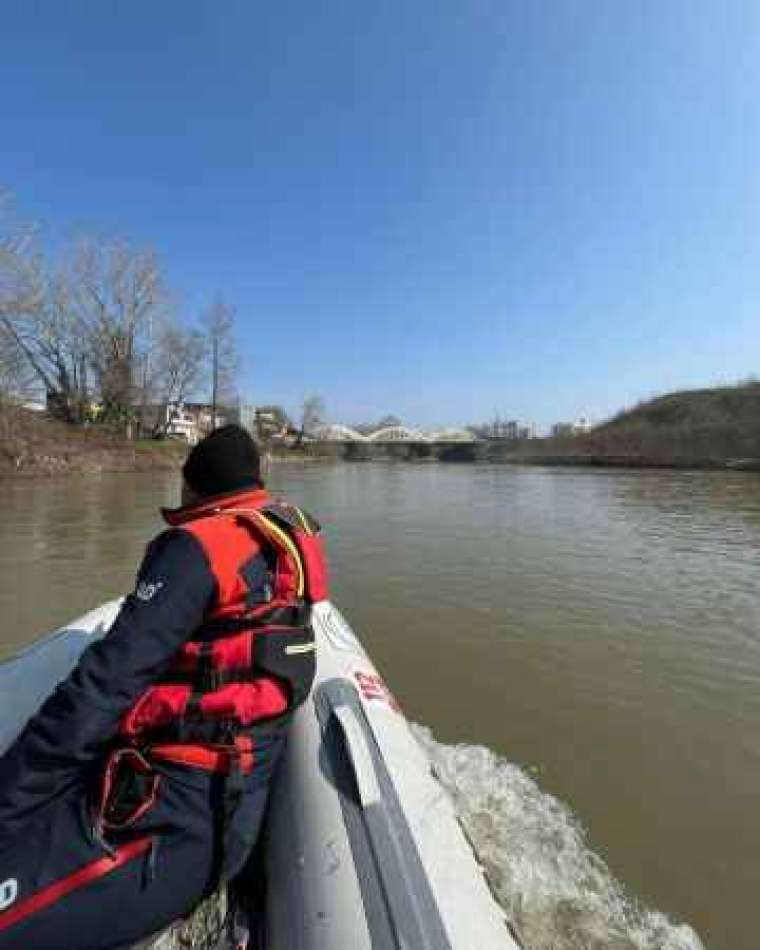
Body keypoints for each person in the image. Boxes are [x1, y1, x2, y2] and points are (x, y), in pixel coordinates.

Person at [0, 425, 328, 950]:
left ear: (193, 488)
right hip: (230, 803)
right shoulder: (282, 538)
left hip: (169, 821)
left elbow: (97, 694)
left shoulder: (197, 549)